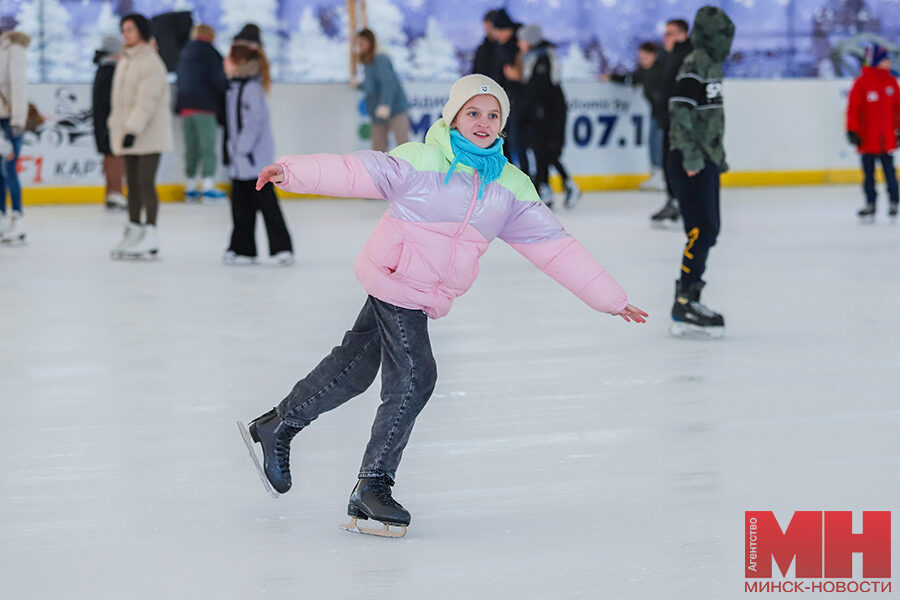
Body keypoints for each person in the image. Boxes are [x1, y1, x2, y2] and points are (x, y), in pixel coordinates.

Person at [238, 74, 648, 537]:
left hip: (423, 291)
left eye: (493, 115)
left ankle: (279, 425)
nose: (483, 122)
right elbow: (358, 171)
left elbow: (554, 246)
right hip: (398, 280)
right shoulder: (423, 160)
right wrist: (291, 172)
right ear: (453, 116)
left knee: (354, 368)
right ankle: (372, 486)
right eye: (473, 112)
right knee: (416, 375)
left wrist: (611, 298)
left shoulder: (508, 187)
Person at [667, 6, 734, 339]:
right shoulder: (695, 63)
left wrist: (715, 156)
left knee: (709, 229)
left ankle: (690, 297)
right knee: (700, 229)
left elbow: (709, 118)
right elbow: (679, 110)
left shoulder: (711, 64)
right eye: (723, 36)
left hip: (705, 159)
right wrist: (692, 157)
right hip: (689, 159)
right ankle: (684, 302)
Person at [108, 13, 173, 259]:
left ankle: (151, 233)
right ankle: (134, 228)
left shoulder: (152, 62)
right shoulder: (126, 61)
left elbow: (148, 100)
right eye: (123, 30)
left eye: (130, 29)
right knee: (132, 185)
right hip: (128, 133)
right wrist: (118, 127)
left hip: (148, 134)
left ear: (142, 31)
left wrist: (132, 129)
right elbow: (121, 100)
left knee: (146, 182)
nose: (126, 34)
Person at [222, 40, 293, 265]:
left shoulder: (252, 89)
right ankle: (243, 248)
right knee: (240, 206)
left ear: (240, 62)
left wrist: (242, 149)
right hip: (240, 161)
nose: (226, 62)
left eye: (230, 58)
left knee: (267, 204)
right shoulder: (234, 87)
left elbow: (252, 123)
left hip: (254, 161)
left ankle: (282, 248)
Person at [508, 24, 580, 209]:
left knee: (546, 151)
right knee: (543, 151)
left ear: (530, 40)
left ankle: (553, 187)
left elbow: (538, 90)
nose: (519, 43)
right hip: (540, 113)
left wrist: (518, 82)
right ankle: (555, 186)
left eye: (522, 39)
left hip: (548, 114)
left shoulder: (542, 59)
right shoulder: (532, 58)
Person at [846, 43, 900, 221]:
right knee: (868, 175)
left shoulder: (891, 82)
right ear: (875, 61)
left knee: (890, 173)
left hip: (887, 140)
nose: (888, 63)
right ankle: (870, 204)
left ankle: (894, 202)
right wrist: (852, 130)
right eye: (885, 60)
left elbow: (897, 110)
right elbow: (853, 109)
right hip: (867, 140)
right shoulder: (861, 83)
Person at [175, 24, 227, 203]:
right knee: (207, 147)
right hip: (205, 106)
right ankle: (207, 186)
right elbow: (219, 81)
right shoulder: (212, 54)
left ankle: (190, 186)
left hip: (186, 107)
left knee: (192, 148)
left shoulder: (184, 53)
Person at [607, 42, 667, 192]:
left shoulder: (662, 71)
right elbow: (629, 79)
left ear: (654, 56)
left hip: (666, 114)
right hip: (655, 112)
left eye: (646, 57)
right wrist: (610, 77)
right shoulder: (643, 72)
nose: (643, 60)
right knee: (653, 142)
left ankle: (662, 176)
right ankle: (656, 173)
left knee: (660, 143)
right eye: (641, 57)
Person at [650, 18, 692, 228]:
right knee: (669, 164)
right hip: (669, 121)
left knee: (678, 165)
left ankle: (683, 205)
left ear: (682, 34)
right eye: (665, 33)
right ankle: (673, 200)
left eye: (670, 33)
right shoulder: (671, 56)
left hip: (681, 125)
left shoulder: (687, 57)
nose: (666, 38)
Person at [355, 29, 410, 153]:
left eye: (362, 42)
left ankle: (409, 170)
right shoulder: (368, 61)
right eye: (358, 43)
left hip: (395, 108)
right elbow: (371, 86)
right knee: (378, 146)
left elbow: (388, 83)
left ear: (370, 42)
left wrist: (385, 104)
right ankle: (378, 171)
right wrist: (358, 85)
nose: (360, 46)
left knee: (403, 143)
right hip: (377, 111)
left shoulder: (380, 59)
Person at [0, 26, 29, 244]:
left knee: (9, 168)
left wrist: (18, 120)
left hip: (10, 120)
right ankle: (1, 217)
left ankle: (17, 218)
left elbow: (19, 86)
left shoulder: (13, 49)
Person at [92, 36, 127, 211]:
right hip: (110, 124)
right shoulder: (110, 70)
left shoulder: (103, 68)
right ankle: (115, 193)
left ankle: (112, 193)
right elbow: (112, 100)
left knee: (111, 157)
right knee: (114, 157)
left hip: (104, 123)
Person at [471, 10, 498, 80]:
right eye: (486, 26)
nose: (487, 29)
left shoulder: (506, 49)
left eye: (490, 26)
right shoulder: (481, 49)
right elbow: (475, 74)